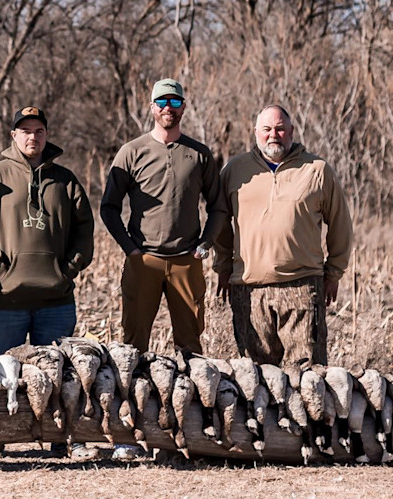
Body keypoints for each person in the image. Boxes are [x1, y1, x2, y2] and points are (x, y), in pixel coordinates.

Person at [213, 105, 352, 369]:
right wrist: (223, 267)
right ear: (256, 132)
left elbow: (340, 224)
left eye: (279, 128)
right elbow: (220, 224)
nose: (273, 135)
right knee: (255, 381)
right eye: (266, 129)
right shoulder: (235, 170)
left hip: (301, 287)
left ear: (291, 131)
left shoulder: (317, 170)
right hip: (249, 289)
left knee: (307, 377)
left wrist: (333, 273)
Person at [101, 78, 227, 356]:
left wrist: (205, 244)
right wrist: (130, 249)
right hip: (143, 260)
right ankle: (132, 397)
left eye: (174, 102)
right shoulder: (131, 152)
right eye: (162, 102)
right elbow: (108, 207)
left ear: (183, 108)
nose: (168, 107)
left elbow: (218, 207)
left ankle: (191, 398)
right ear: (152, 108)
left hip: (186, 261)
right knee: (132, 346)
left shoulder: (199, 154)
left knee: (191, 346)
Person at [0, 106, 94, 358]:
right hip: (5, 300)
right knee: (1, 379)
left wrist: (65, 272)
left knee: (57, 380)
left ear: (47, 135)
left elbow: (85, 231)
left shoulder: (65, 180)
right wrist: (1, 272)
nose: (32, 137)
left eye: (39, 131)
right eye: (25, 131)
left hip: (56, 302)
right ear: (13, 135)